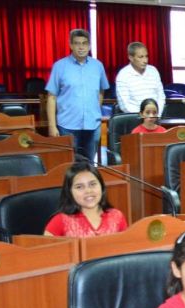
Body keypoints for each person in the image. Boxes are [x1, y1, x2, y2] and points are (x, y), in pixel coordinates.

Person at [45, 29, 109, 162]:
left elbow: (101, 91)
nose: (81, 47)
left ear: (90, 45)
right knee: (68, 165)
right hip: (67, 126)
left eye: (85, 43)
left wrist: (95, 109)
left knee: (89, 164)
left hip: (93, 125)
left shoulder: (98, 66)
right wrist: (52, 126)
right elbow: (51, 97)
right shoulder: (59, 66)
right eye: (77, 43)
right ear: (70, 45)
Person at [44, 161, 128, 237]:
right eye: (79, 187)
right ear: (70, 191)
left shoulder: (117, 216)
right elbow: (45, 251)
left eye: (92, 184)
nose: (88, 191)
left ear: (101, 186)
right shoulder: (61, 220)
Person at [115, 42, 166, 114]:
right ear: (131, 58)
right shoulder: (123, 75)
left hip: (155, 117)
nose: (145, 60)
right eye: (141, 57)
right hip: (134, 119)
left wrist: (156, 114)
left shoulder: (153, 71)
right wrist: (144, 115)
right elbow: (125, 105)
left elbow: (161, 96)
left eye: (146, 56)